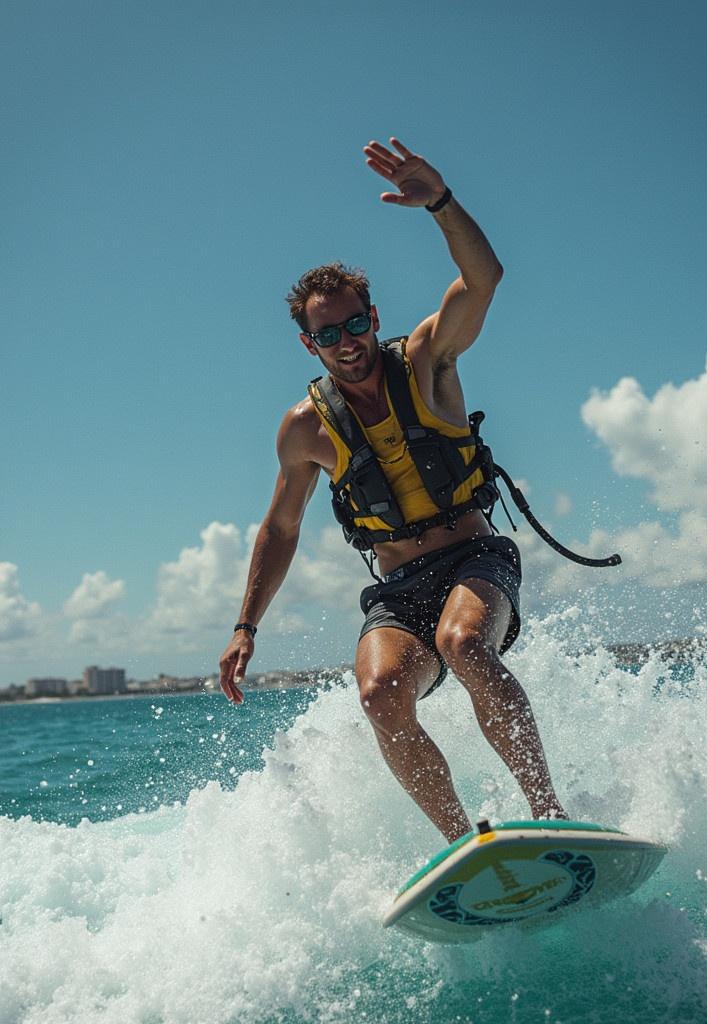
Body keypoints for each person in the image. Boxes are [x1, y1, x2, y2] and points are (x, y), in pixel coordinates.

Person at [219, 137, 567, 843]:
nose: (345, 340)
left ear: (373, 320)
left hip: (475, 559)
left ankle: (551, 813)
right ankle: (469, 850)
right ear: (308, 345)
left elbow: (483, 280)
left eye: (354, 323)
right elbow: (280, 529)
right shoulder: (304, 430)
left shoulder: (427, 361)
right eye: (327, 333)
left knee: (465, 644)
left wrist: (440, 201)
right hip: (400, 587)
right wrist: (245, 625)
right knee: (380, 695)